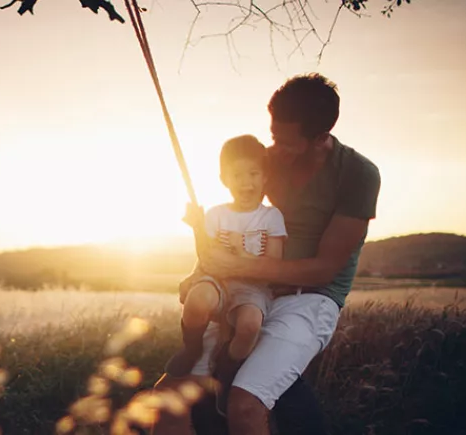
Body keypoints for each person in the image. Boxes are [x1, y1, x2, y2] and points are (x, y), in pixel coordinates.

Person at [152, 72, 381, 435]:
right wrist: (204, 268)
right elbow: (236, 220)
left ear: (321, 137)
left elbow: (324, 269)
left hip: (309, 298)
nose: (275, 151)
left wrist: (241, 267)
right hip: (250, 288)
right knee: (166, 401)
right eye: (273, 136)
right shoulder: (268, 160)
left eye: (286, 143)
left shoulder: (358, 175)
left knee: (245, 403)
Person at [166, 134, 287, 417]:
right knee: (196, 301)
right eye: (237, 175)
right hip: (217, 281)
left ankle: (227, 369)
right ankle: (192, 347)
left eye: (253, 174)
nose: (246, 182)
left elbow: (274, 264)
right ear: (224, 179)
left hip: (253, 288)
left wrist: (238, 250)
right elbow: (206, 255)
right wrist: (197, 227)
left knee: (249, 327)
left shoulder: (271, 217)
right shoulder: (217, 214)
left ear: (265, 177)